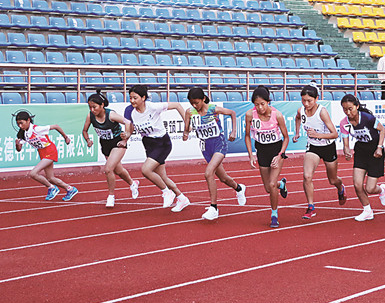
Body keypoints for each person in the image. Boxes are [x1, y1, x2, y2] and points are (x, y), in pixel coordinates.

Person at [123, 85, 190, 213]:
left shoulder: (153, 107)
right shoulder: (129, 110)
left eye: (135, 98)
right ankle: (182, 198)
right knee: (162, 177)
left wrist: (187, 125)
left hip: (162, 142)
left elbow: (177, 105)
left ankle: (166, 192)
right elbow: (129, 130)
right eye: (130, 98)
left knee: (146, 170)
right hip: (148, 143)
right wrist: (125, 136)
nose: (132, 101)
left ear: (143, 98)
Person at [185, 87, 246, 221]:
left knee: (208, 173)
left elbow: (232, 113)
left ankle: (214, 208)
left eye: (197, 102)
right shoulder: (190, 112)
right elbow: (187, 128)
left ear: (203, 99)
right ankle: (239, 188)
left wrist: (233, 131)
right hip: (206, 147)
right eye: (191, 103)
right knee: (223, 178)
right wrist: (186, 133)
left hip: (219, 143)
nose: (194, 105)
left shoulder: (213, 109)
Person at [294, 85, 344, 220]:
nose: (306, 104)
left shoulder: (322, 112)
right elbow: (297, 117)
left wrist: (318, 135)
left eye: (309, 101)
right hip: (313, 147)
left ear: (316, 99)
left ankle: (340, 188)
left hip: (328, 147)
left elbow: (335, 134)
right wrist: (297, 133)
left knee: (333, 180)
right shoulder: (301, 110)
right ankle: (311, 207)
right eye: (303, 100)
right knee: (307, 176)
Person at [82, 90, 139, 208]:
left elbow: (128, 122)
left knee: (108, 169)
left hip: (117, 143)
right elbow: (84, 131)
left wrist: (126, 137)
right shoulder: (90, 116)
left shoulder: (111, 115)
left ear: (102, 105)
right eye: (90, 107)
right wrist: (88, 140)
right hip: (105, 144)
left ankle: (111, 196)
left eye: (94, 107)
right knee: (118, 170)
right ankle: (133, 183)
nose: (92, 110)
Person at [244, 86, 289, 228]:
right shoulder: (250, 115)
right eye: (256, 104)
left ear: (268, 102)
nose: (260, 107)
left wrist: (280, 155)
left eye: (262, 104)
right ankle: (281, 185)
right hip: (261, 151)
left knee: (271, 184)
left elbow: (286, 138)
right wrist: (251, 155)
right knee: (268, 188)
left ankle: (274, 215)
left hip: (276, 151)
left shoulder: (277, 115)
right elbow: (247, 136)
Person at [340, 94, 385, 221]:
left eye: (350, 109)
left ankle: (381, 190)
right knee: (357, 184)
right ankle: (367, 210)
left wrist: (379, 147)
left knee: (370, 188)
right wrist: (347, 151)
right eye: (345, 109)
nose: (348, 112)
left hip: (375, 151)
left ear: (357, 106)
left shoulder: (367, 118)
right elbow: (345, 144)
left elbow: (382, 130)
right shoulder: (344, 123)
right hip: (361, 151)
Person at [14, 110, 78, 202]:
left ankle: (51, 188)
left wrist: (65, 137)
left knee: (33, 173)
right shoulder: (24, 133)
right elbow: (19, 149)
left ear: (28, 120)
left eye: (21, 123)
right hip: (42, 153)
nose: (20, 126)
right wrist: (17, 144)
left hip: (50, 150)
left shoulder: (37, 129)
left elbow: (56, 126)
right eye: (18, 124)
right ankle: (70, 189)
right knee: (51, 178)